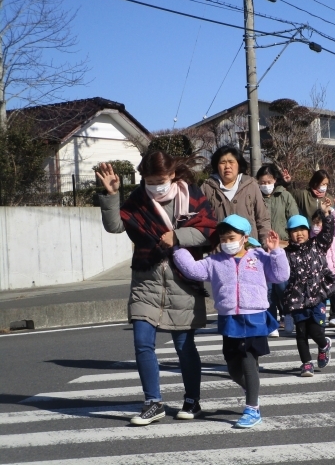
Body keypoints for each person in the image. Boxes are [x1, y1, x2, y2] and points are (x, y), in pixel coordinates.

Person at [96, 151, 217, 426]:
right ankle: (153, 402)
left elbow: (210, 230)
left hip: (183, 281)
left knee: (185, 346)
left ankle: (192, 400)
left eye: (160, 179)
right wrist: (112, 195)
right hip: (146, 278)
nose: (155, 185)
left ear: (172, 174)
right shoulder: (139, 199)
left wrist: (178, 236)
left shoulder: (192, 195)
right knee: (141, 342)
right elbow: (116, 225)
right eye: (149, 180)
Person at [173, 215, 289, 428]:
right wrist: (176, 249)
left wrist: (276, 252)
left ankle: (252, 408)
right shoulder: (215, 261)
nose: (227, 243)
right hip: (229, 318)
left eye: (232, 238)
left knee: (248, 361)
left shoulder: (259, 257)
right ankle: (251, 392)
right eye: (223, 239)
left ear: (244, 237)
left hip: (253, 317)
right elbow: (192, 270)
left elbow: (281, 275)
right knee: (232, 367)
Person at [283, 199, 335, 377]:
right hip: (297, 298)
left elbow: (328, 233)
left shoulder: (317, 244)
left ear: (308, 231)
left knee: (315, 330)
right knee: (301, 333)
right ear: (289, 234)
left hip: (317, 295)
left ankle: (323, 344)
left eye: (302, 230)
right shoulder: (287, 253)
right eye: (294, 231)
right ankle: (306, 363)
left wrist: (326, 214)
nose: (299, 234)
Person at [256, 164, 299, 336]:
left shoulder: (285, 196)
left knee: (282, 286)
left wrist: (292, 241)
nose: (266, 184)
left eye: (269, 181)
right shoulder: (255, 196)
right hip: (262, 248)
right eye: (262, 181)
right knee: (267, 289)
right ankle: (271, 322)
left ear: (275, 180)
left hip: (283, 246)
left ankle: (287, 314)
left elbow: (294, 218)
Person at [201, 145, 271, 245]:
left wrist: (266, 245)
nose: (227, 166)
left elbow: (262, 219)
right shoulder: (207, 187)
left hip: (249, 248)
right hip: (219, 250)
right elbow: (201, 220)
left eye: (231, 162)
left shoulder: (251, 185)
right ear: (217, 166)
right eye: (223, 162)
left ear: (239, 164)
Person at [310, 203, 335, 331]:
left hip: (334, 271)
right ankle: (319, 321)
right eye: (315, 222)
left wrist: (331, 211)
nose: (318, 225)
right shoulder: (313, 237)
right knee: (320, 300)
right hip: (320, 272)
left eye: (320, 222)